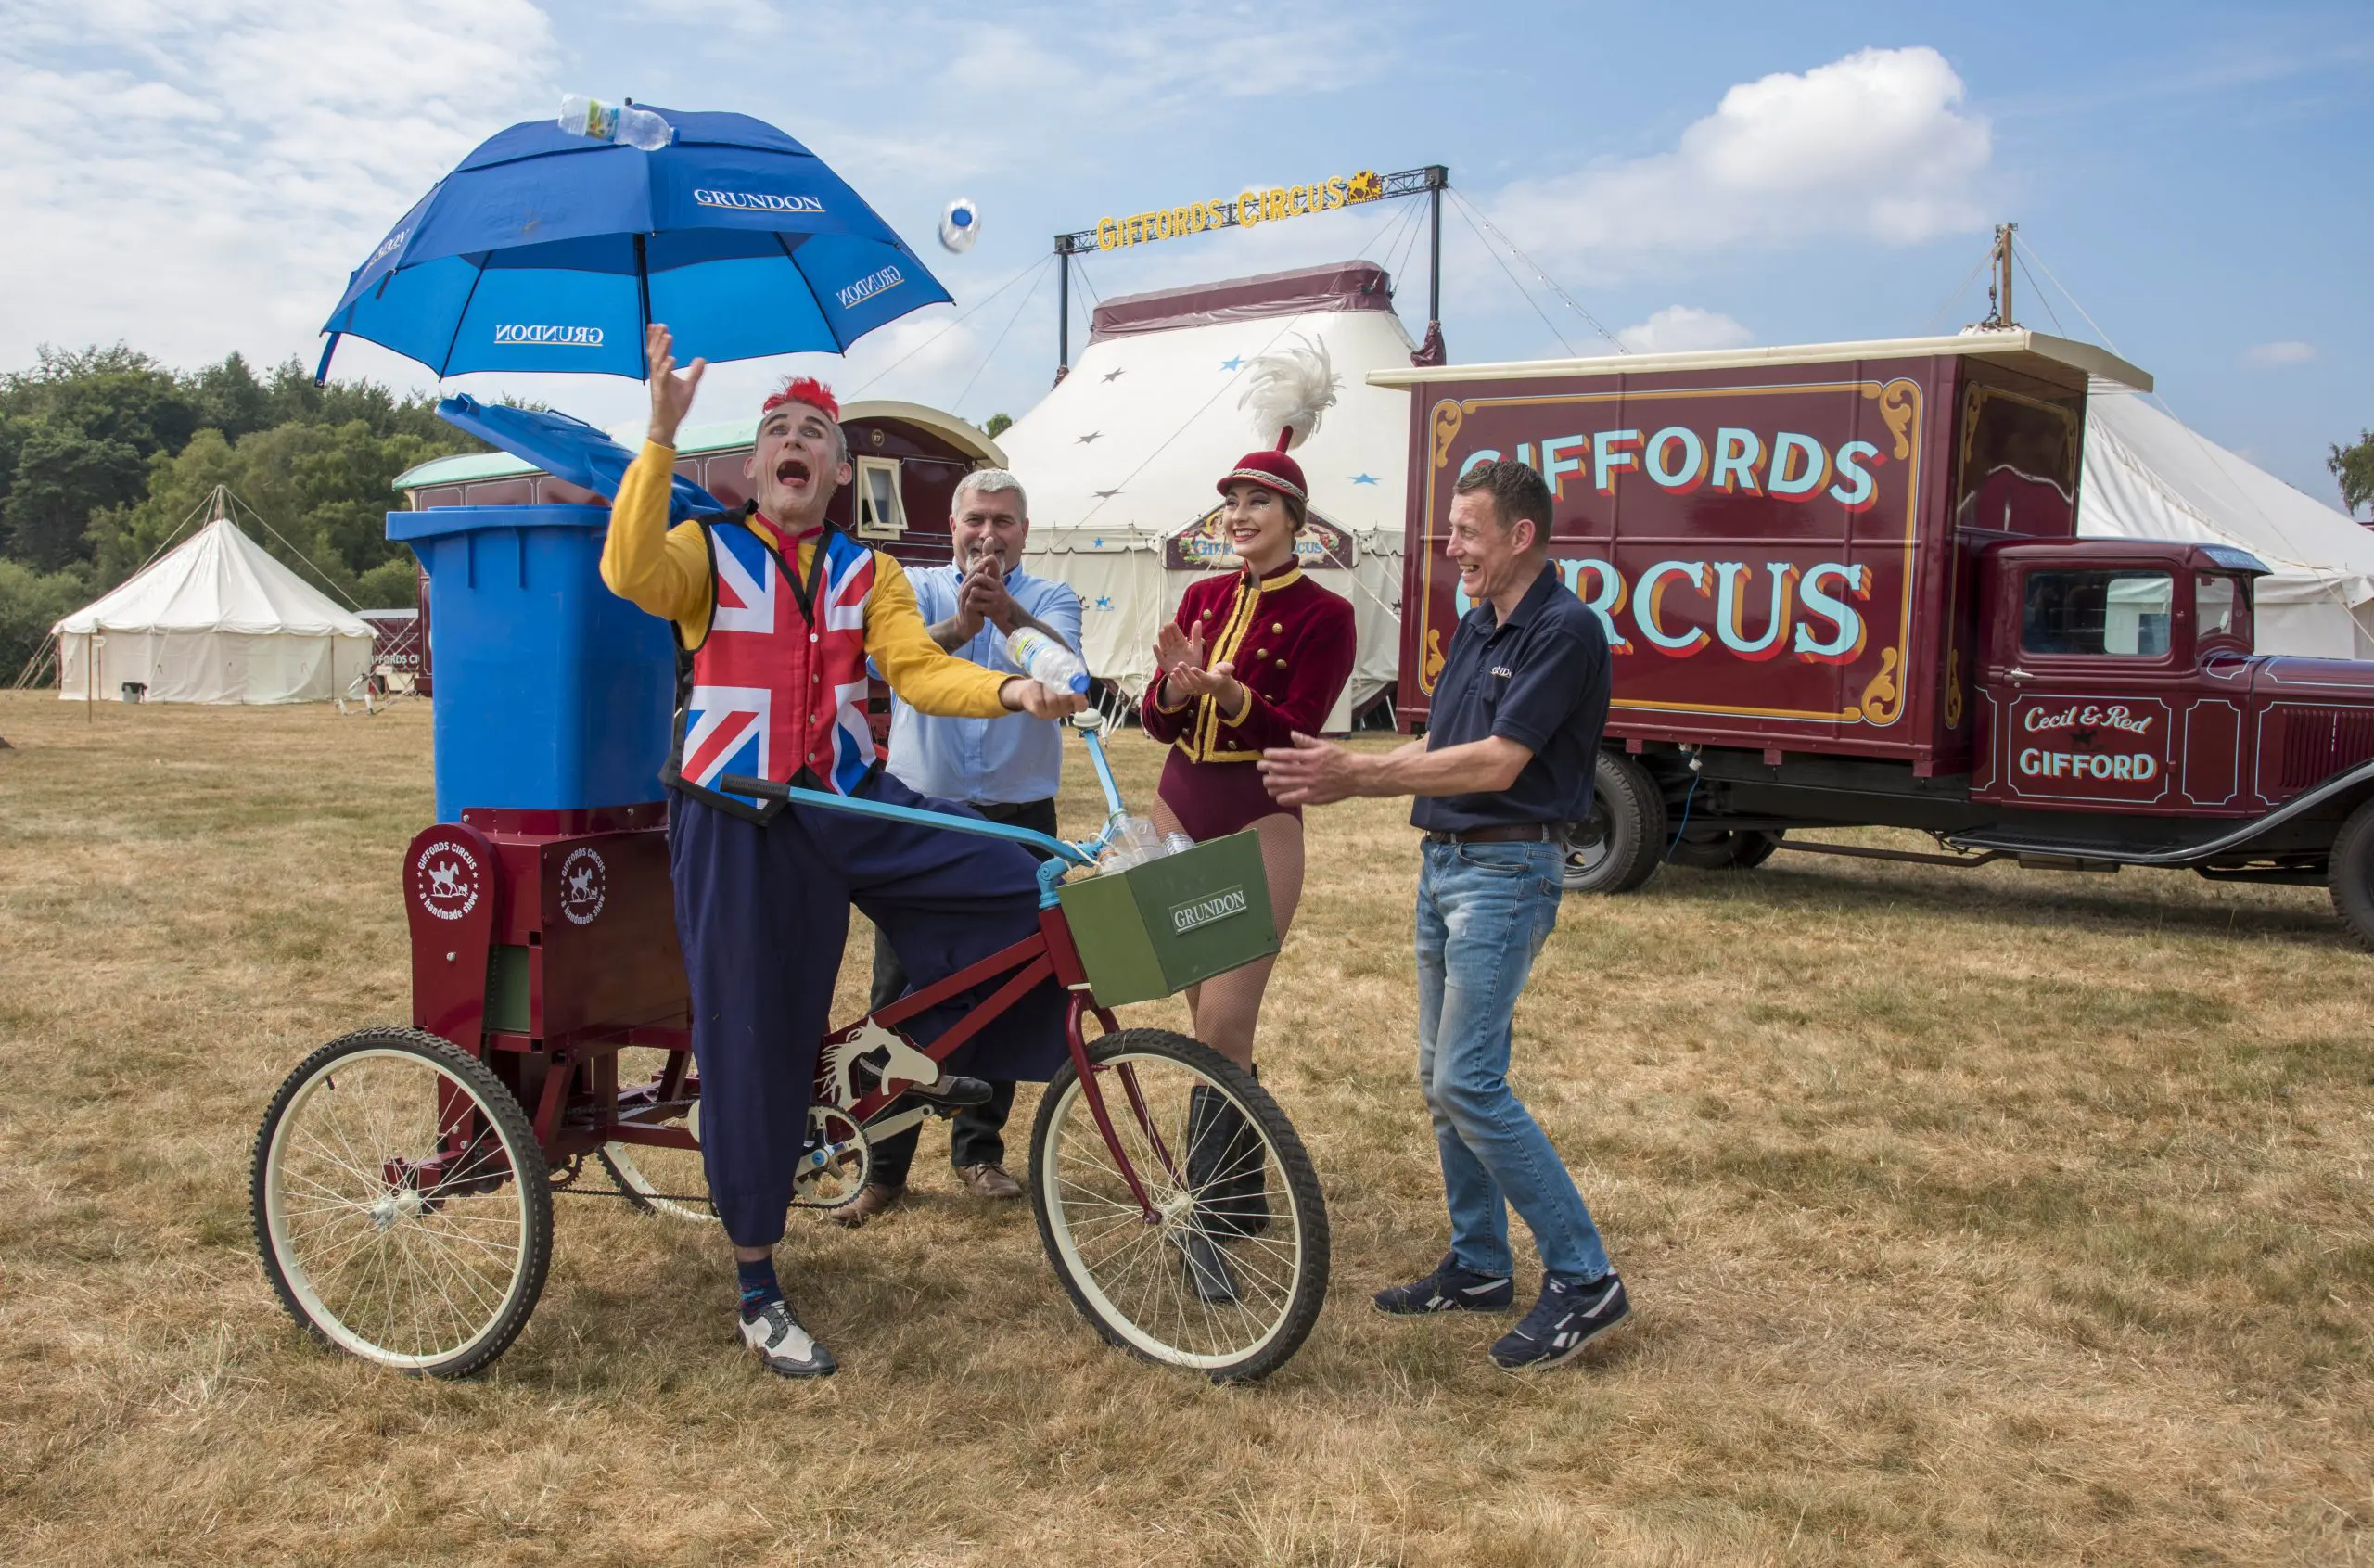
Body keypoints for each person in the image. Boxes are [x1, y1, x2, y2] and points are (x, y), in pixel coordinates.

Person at [601, 325, 1084, 1380]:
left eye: (814, 431)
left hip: (848, 800)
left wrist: (1012, 686)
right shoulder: (704, 547)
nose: (794, 441)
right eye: (778, 428)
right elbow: (627, 571)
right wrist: (659, 432)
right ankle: (757, 1278)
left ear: (835, 469)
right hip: (735, 814)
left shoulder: (870, 573)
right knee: (755, 1034)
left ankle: (941, 1067)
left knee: (1021, 873)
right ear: (755, 463)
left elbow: (915, 671)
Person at [1258, 457, 1629, 1372]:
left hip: (1506, 870)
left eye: (1466, 530)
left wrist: (1365, 776)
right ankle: (1477, 1263)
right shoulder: (1478, 623)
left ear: (1519, 536)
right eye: (1452, 529)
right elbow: (1442, 743)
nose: (1450, 545)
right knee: (1440, 1077)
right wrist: (1355, 772)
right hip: (1447, 865)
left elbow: (1499, 762)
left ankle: (1585, 1279)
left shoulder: (1564, 630)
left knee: (1467, 1078)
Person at [1140, 343, 1356, 1244]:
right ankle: (1240, 1195)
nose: (1237, 514)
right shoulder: (1197, 595)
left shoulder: (1326, 614)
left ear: (1294, 517)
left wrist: (1231, 695)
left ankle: (1207, 1210)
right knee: (1198, 1020)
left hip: (1255, 817)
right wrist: (1176, 692)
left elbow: (1298, 726)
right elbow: (1154, 720)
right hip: (1171, 810)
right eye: (1231, 500)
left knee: (1225, 1023)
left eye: (1256, 500)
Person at [840, 468, 1082, 1227]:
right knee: (902, 987)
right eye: (977, 518)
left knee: (1014, 982)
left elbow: (1067, 672)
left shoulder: (1052, 598)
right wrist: (960, 628)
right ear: (951, 524)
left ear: (1025, 531)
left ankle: (980, 1151)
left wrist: (1005, 612)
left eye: (1004, 521)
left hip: (1020, 812)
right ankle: (883, 1166)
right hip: (925, 810)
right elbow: (891, 663)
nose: (989, 534)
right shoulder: (909, 586)